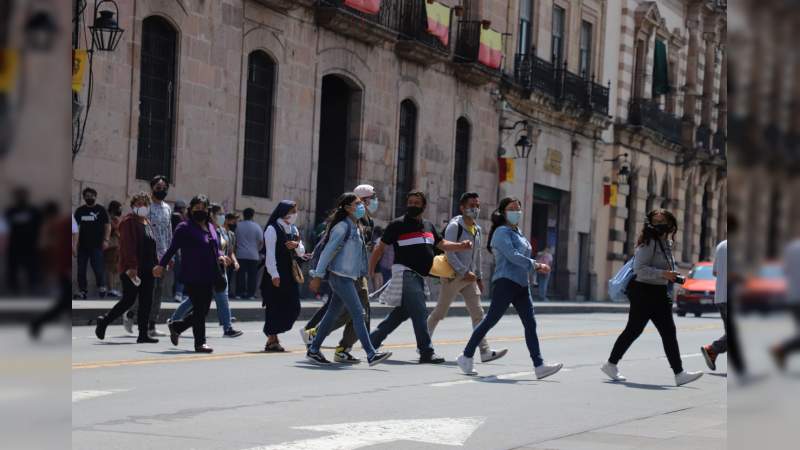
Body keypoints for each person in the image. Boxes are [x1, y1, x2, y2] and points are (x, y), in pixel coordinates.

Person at [455, 197, 562, 379]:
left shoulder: (518, 232)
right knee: (490, 320)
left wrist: (531, 268)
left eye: (518, 208)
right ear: (503, 212)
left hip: (521, 284)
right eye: (512, 209)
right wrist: (536, 265)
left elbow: (522, 255)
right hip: (506, 281)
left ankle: (539, 365)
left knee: (530, 324)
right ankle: (466, 356)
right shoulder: (501, 233)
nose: (516, 212)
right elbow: (513, 255)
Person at [601, 209, 704, 386]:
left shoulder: (665, 243)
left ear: (671, 224)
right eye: (656, 221)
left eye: (663, 221)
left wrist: (672, 275)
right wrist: (663, 274)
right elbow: (639, 269)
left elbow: (662, 268)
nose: (660, 225)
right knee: (635, 330)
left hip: (659, 292)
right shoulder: (648, 244)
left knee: (665, 332)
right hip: (644, 292)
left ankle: (679, 373)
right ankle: (611, 364)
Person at [368, 191, 472, 364]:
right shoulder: (397, 224)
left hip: (419, 275)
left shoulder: (429, 226)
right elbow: (380, 248)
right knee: (420, 311)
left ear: (424, 206)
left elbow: (442, 244)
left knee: (402, 313)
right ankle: (426, 351)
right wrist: (371, 269)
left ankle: (372, 341)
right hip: (405, 272)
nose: (413, 205)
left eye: (417, 203)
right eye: (410, 202)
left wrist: (460, 246)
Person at [306, 193, 391, 366]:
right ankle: (371, 354)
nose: (361, 206)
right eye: (357, 203)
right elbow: (327, 252)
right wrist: (317, 276)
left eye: (361, 203)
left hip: (349, 277)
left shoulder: (356, 226)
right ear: (347, 208)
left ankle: (313, 349)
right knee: (358, 313)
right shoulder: (342, 227)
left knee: (331, 314)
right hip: (340, 277)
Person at [428, 192, 508, 364]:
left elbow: (477, 255)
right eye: (471, 205)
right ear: (462, 208)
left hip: (469, 278)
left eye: (477, 205)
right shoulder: (454, 226)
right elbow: (449, 253)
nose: (475, 209)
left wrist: (478, 277)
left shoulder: (477, 229)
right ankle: (424, 344)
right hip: (453, 276)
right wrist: (464, 271)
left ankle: (485, 351)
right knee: (440, 312)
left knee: (478, 314)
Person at [155, 195, 228, 353]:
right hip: (193, 274)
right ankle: (200, 343)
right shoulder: (184, 227)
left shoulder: (210, 227)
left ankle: (177, 327)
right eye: (197, 208)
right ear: (191, 209)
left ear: (208, 210)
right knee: (200, 309)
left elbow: (216, 248)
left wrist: (221, 256)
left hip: (210, 274)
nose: (200, 211)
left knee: (203, 310)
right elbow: (172, 248)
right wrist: (161, 265)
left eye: (203, 208)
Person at [94, 192, 160, 344]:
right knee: (128, 300)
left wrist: (157, 264)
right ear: (133, 206)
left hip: (148, 268)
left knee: (146, 301)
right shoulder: (128, 222)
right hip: (132, 268)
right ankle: (104, 321)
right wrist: (131, 267)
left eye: (145, 204)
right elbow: (127, 247)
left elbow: (152, 246)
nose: (142, 206)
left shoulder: (148, 223)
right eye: (138, 203)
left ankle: (143, 334)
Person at [171, 204, 243, 338]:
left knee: (217, 299)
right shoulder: (204, 229)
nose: (222, 217)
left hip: (221, 269)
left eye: (223, 214)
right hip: (208, 270)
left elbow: (226, 249)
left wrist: (231, 260)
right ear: (212, 215)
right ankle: (226, 328)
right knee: (199, 301)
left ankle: (176, 322)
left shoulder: (222, 231)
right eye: (219, 214)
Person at [122, 176, 171, 337]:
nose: (161, 190)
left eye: (164, 187)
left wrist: (170, 254)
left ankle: (151, 325)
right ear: (152, 187)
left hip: (162, 254)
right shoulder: (145, 206)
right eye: (158, 187)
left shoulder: (167, 208)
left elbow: (168, 231)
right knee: (146, 290)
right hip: (147, 254)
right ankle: (131, 313)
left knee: (158, 291)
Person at [261, 200, 305, 352]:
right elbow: (270, 254)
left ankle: (272, 334)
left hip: (290, 273)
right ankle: (272, 339)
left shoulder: (293, 229)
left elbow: (302, 251)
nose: (294, 215)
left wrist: (296, 245)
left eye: (295, 211)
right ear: (284, 212)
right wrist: (274, 274)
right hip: (276, 273)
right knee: (274, 305)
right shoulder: (272, 229)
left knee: (294, 307)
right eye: (292, 211)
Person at [29, 202, 72, 339]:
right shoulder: (63, 224)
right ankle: (37, 323)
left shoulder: (60, 224)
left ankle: (40, 323)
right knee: (64, 302)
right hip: (65, 268)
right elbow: (63, 248)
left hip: (63, 267)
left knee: (65, 301)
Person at [74, 187, 110, 299]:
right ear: (84, 197)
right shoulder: (79, 211)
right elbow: (75, 229)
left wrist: (106, 240)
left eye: (91, 196)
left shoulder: (101, 210)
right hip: (82, 246)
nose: (89, 197)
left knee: (98, 268)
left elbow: (107, 226)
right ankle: (82, 291)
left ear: (95, 196)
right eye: (87, 196)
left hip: (97, 245)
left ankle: (102, 286)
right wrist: (74, 245)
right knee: (81, 270)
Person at [5, 187, 43, 294]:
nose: (21, 197)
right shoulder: (10, 211)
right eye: (19, 195)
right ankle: (13, 288)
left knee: (32, 267)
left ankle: (33, 286)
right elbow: (5, 228)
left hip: (30, 244)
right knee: (13, 267)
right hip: (14, 244)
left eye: (23, 195)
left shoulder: (34, 211)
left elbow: (40, 226)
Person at [700, 238, 731, 371]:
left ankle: (713, 351)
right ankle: (712, 349)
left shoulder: (721, 245)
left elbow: (715, 272)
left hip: (720, 297)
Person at [770, 237, 800, 370]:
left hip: (792, 296)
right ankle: (781, 349)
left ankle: (782, 349)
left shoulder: (791, 247)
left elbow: (785, 270)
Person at [235, 207, 263, 300]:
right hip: (253, 255)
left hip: (240, 254)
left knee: (240, 275)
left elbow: (234, 239)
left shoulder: (238, 226)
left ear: (243, 215)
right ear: (253, 215)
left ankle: (239, 293)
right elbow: (261, 241)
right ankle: (251, 294)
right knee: (252, 276)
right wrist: (257, 249)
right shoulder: (257, 226)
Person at [104, 200, 123, 299]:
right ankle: (111, 289)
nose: (120, 210)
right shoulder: (111, 219)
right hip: (112, 247)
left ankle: (112, 289)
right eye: (119, 208)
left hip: (115, 246)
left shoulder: (112, 218)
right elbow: (116, 231)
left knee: (114, 269)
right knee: (111, 269)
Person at [171, 199, 187, 302]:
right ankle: (178, 293)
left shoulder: (171, 216)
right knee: (181, 270)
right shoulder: (180, 217)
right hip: (179, 247)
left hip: (170, 245)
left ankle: (176, 292)